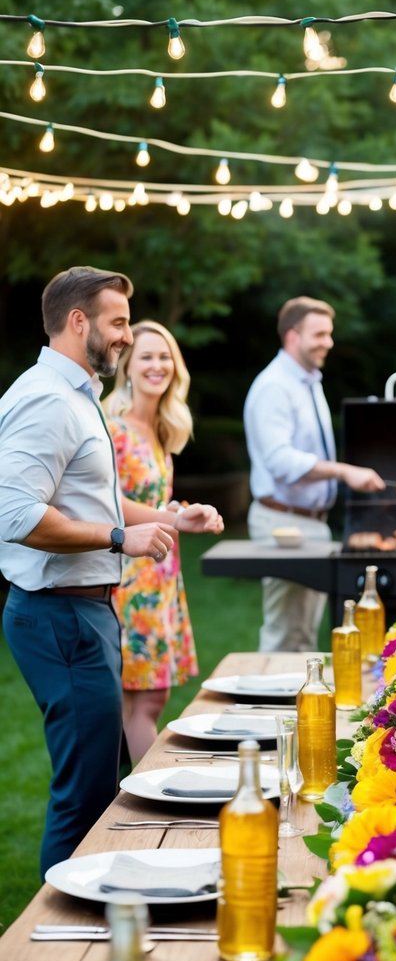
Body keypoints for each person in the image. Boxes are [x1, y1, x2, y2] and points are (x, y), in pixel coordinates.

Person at [0, 266, 223, 877]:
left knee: (98, 783)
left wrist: (172, 520)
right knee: (85, 796)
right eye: (118, 322)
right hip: (59, 615)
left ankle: (93, 921)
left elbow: (96, 501)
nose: (125, 336)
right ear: (79, 322)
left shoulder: (78, 396)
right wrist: (122, 539)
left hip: (86, 611)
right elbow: (16, 515)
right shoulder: (47, 400)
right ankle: (57, 946)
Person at [244, 296, 385, 651]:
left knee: (303, 637)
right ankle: (264, 708)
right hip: (284, 523)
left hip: (310, 524)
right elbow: (281, 461)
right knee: (284, 635)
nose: (329, 342)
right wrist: (343, 472)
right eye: (320, 334)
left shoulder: (308, 382)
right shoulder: (275, 386)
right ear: (293, 335)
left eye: (329, 334)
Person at [104, 320, 207, 762]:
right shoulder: (115, 428)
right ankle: (148, 804)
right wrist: (173, 518)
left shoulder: (160, 429)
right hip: (130, 578)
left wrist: (182, 512)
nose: (157, 365)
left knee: (150, 699)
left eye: (164, 356)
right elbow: (106, 501)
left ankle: (127, 802)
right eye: (146, 356)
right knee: (142, 703)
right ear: (127, 365)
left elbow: (151, 499)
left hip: (160, 575)